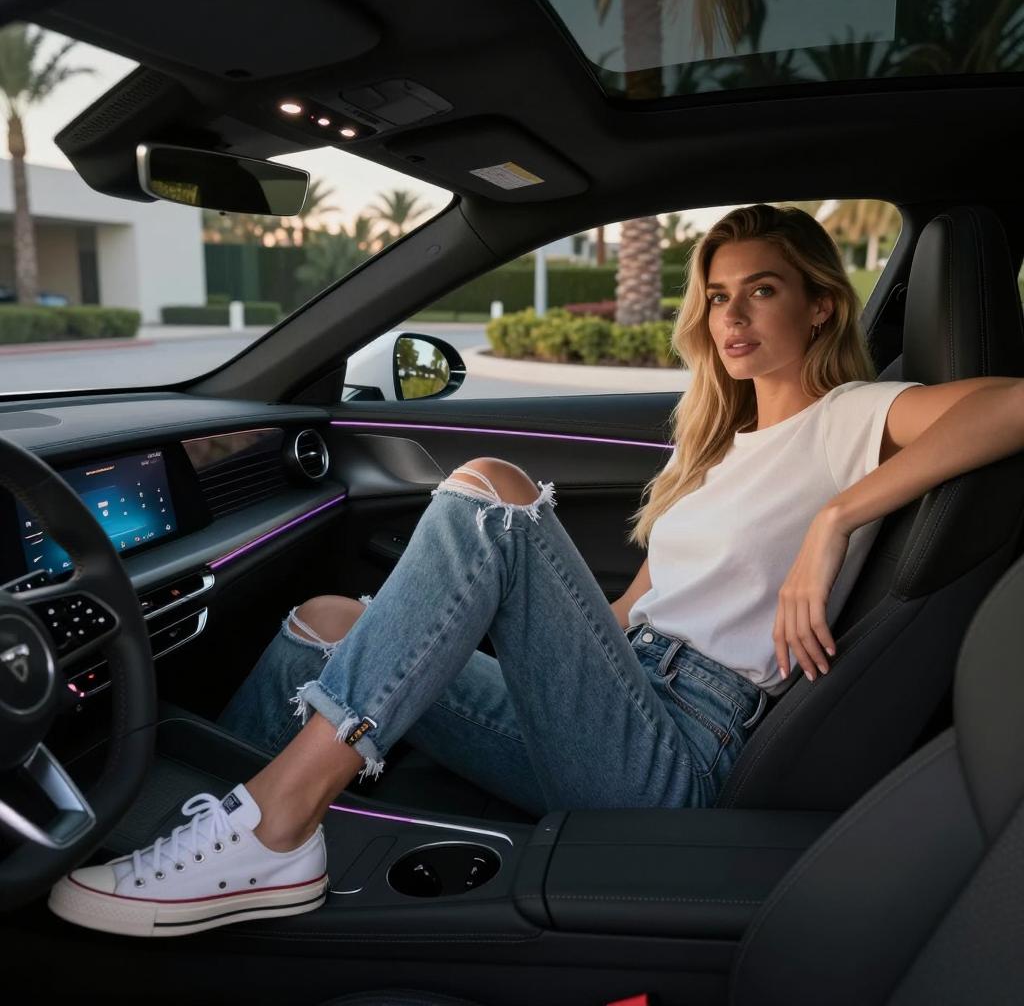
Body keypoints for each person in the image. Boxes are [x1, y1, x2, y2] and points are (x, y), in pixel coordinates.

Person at [48, 204, 1024, 937]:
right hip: (623, 694)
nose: (730, 314)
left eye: (760, 288)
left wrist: (839, 515)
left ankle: (272, 830)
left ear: (819, 303)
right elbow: (615, 617)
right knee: (330, 615)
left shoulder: (856, 414)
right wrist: (448, 638)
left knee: (489, 490)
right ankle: (211, 817)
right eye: (717, 293)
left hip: (676, 750)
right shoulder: (723, 452)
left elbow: (1012, 403)